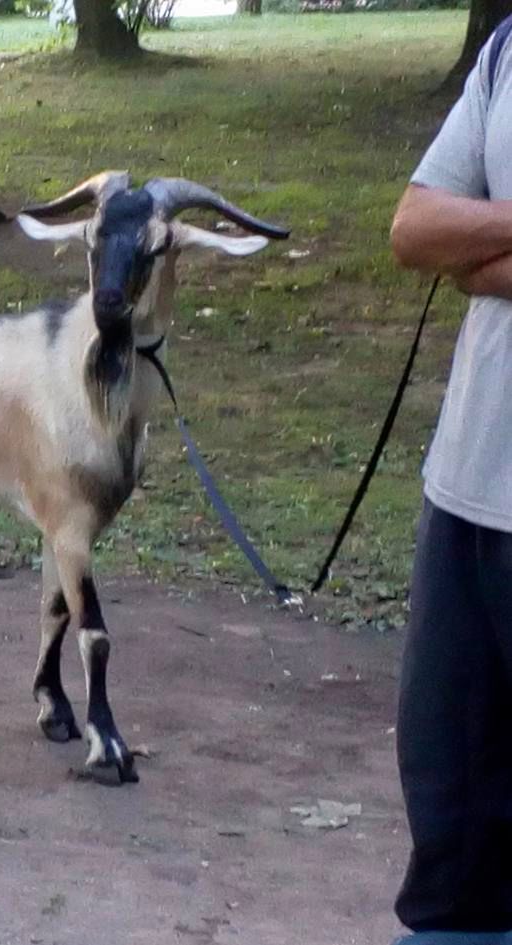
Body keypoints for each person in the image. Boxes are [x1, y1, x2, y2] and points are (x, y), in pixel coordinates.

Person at [388, 21, 512, 945]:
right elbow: (416, 227)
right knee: (452, 819)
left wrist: (483, 247)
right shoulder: (509, 49)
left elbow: (458, 240)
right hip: (467, 488)